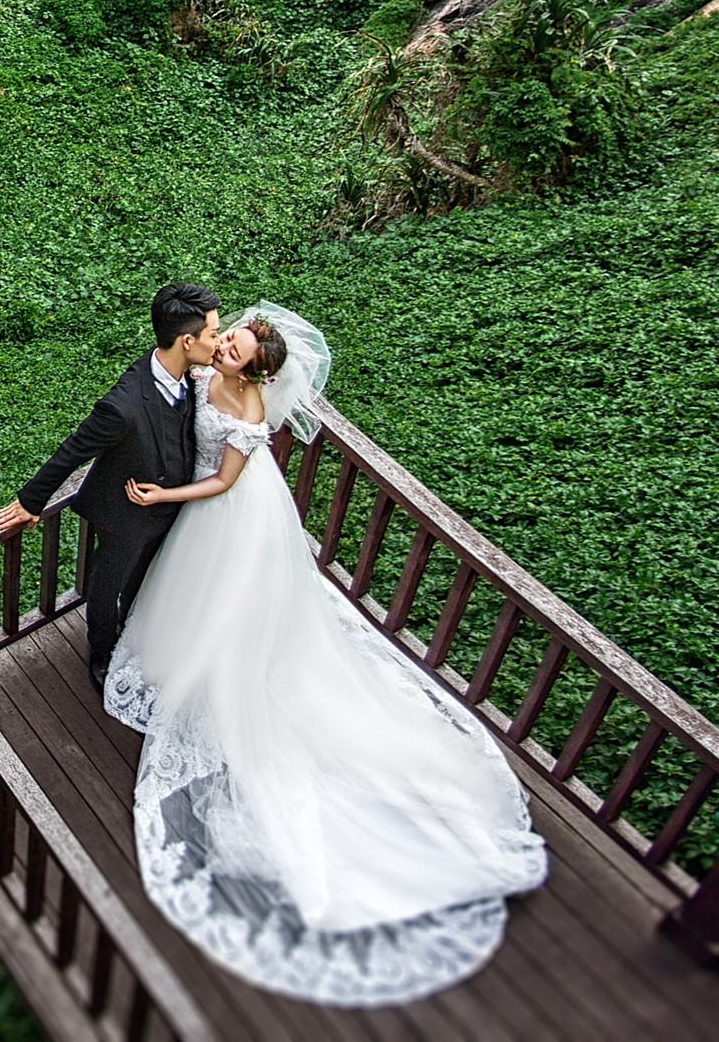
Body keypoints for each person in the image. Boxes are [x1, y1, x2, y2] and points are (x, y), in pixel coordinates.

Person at [105, 302, 547, 1005]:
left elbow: (222, 480)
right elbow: (182, 381)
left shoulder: (247, 408)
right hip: (209, 511)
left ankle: (226, 678)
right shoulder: (208, 370)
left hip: (228, 512)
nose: (221, 350)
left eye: (233, 349)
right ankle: (187, 658)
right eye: (223, 341)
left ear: (254, 368)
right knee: (191, 604)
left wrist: (166, 491)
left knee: (233, 614)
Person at [0, 282, 221, 694]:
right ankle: (101, 653)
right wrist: (30, 501)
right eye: (214, 334)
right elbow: (73, 450)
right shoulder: (123, 406)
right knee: (105, 588)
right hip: (125, 517)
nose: (219, 342)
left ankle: (135, 633)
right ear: (187, 341)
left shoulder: (189, 376)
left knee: (144, 581)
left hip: (170, 509)